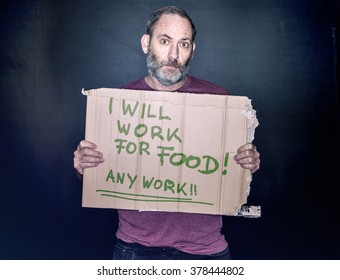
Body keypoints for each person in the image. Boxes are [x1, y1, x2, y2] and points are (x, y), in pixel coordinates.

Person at [73, 6, 260, 260]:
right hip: (135, 249)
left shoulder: (219, 101)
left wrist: (247, 164)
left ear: (192, 51)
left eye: (183, 44)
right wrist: (84, 167)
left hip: (204, 251)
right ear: (146, 43)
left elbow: (235, 175)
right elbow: (99, 180)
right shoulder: (116, 105)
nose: (173, 54)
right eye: (165, 41)